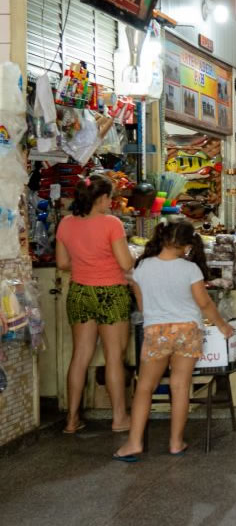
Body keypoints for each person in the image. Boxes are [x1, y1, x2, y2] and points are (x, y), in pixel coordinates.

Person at [113, 221, 234, 462]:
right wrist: (222, 325)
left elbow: (142, 306)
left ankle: (134, 443)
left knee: (145, 387)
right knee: (180, 387)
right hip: (187, 331)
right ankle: (176, 442)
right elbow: (204, 303)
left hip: (156, 331)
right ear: (187, 246)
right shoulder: (190, 270)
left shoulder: (143, 267)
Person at [55, 175, 135, 435]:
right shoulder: (111, 223)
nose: (112, 202)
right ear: (101, 199)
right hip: (111, 292)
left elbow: (62, 263)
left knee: (80, 356)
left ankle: (71, 420)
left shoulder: (66, 223)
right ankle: (119, 418)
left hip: (79, 291)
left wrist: (85, 263)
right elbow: (125, 264)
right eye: (110, 197)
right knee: (114, 357)